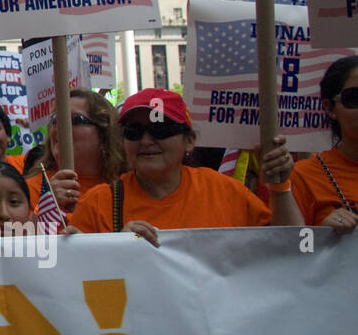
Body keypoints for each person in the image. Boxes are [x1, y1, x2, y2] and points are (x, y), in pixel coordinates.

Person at [68, 88, 301, 245]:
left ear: (189, 140)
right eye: (134, 131)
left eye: (161, 130)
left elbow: (293, 248)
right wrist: (115, 249)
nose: (146, 141)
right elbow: (74, 283)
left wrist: (280, 186)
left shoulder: (225, 192)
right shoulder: (99, 204)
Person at [288, 54, 358, 233]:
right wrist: (320, 234)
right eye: (355, 98)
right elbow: (287, 254)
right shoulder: (303, 176)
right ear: (329, 108)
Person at [27, 89, 125, 214]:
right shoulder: (29, 190)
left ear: (104, 135)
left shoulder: (125, 190)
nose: (59, 126)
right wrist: (47, 208)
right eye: (54, 120)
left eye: (75, 120)